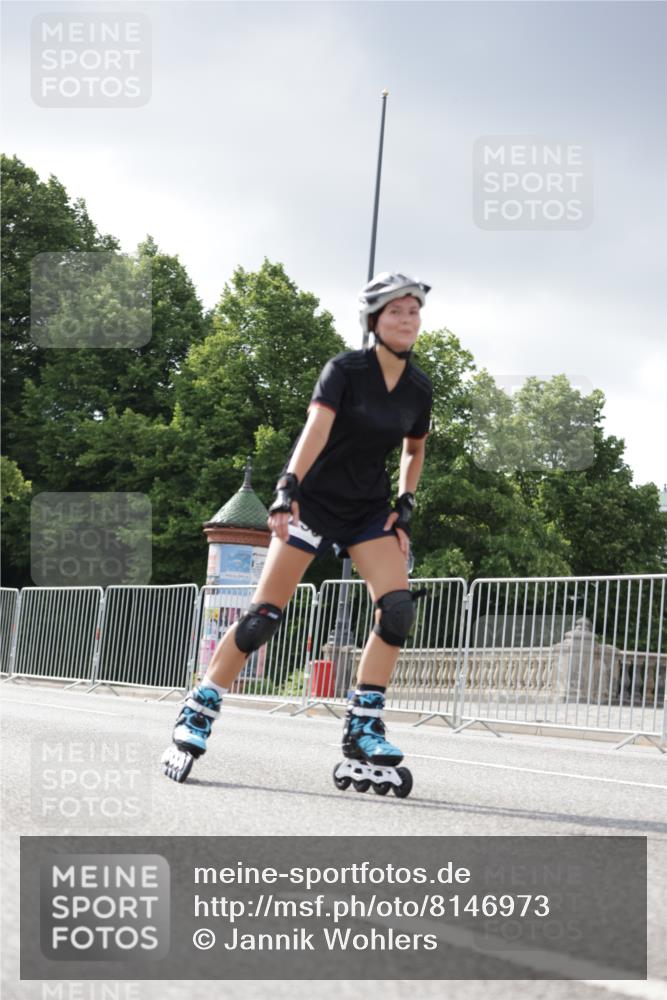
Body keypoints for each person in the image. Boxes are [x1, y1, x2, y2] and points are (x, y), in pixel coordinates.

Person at [162, 272, 433, 795]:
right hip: (315, 502)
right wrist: (287, 488)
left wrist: (405, 504)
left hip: (367, 509)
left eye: (414, 311)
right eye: (396, 311)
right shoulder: (345, 371)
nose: (407, 320)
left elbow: (414, 448)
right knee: (264, 617)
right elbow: (317, 428)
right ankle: (201, 705)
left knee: (398, 608)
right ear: (374, 319)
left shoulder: (419, 388)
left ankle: (363, 725)